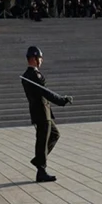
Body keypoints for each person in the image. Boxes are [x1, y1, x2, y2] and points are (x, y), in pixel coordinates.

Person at [21, 46, 72, 182]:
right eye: (39, 58)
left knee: (54, 134)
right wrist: (61, 100)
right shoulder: (34, 75)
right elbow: (45, 92)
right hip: (41, 113)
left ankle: (39, 160)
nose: (41, 60)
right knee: (42, 141)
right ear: (33, 59)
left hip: (41, 112)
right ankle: (41, 170)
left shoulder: (27, 75)